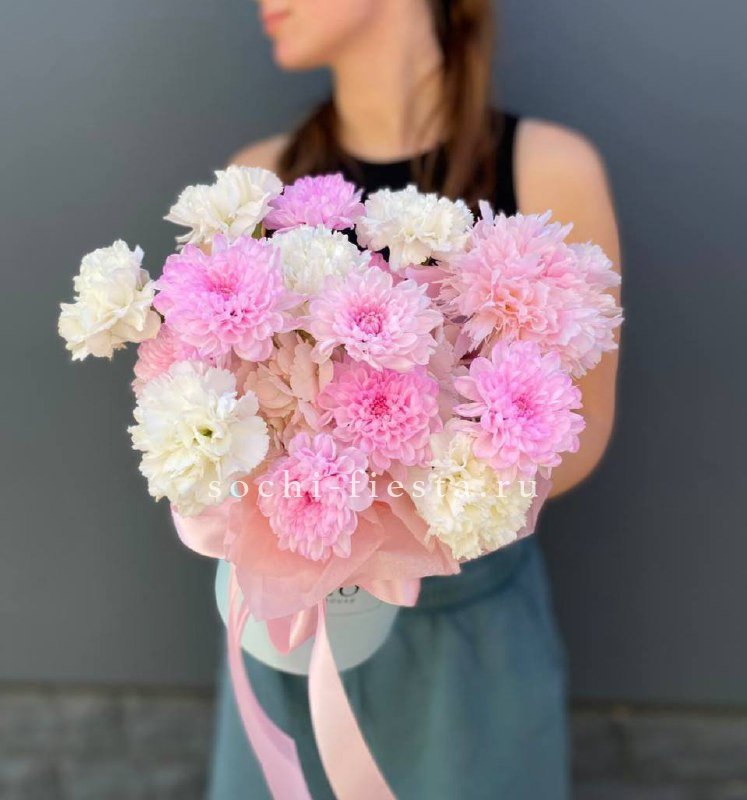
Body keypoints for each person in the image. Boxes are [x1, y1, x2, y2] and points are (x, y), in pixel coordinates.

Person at [209, 1, 621, 797]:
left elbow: (587, 420)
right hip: (288, 632)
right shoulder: (255, 177)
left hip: (465, 646)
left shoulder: (548, 169)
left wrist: (421, 503)